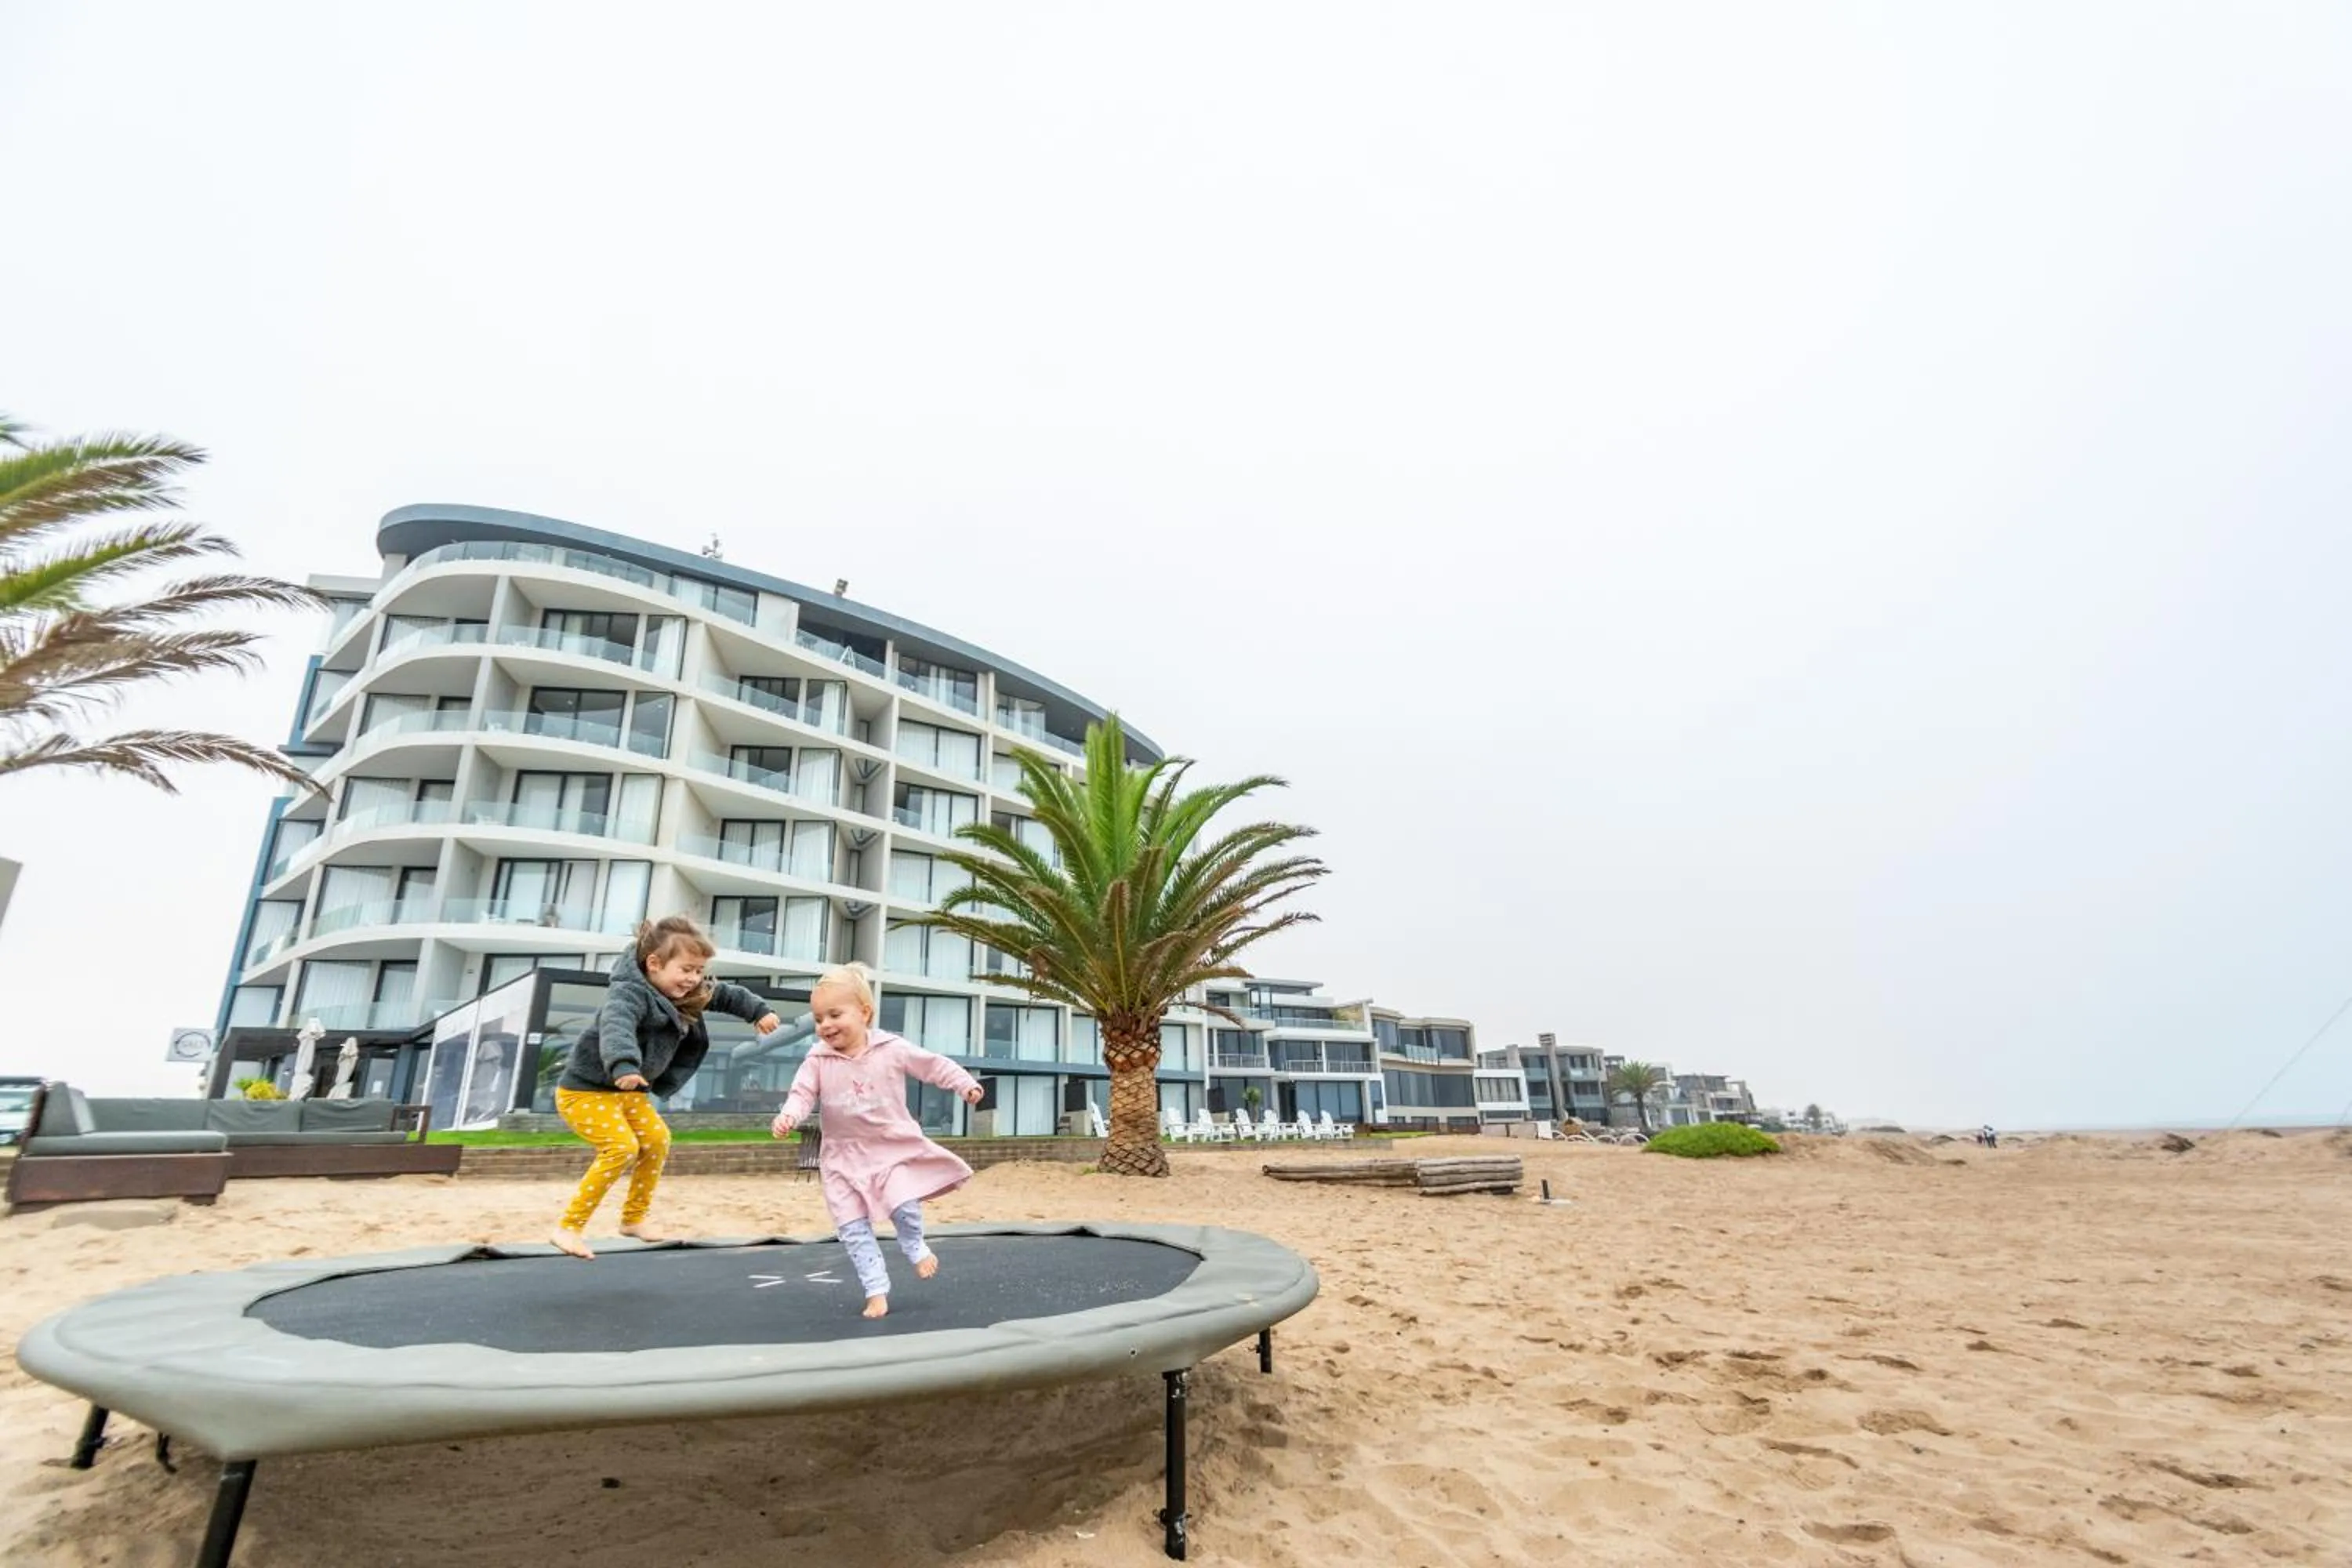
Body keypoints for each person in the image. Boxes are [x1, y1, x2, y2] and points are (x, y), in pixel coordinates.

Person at [550, 916, 779, 1259]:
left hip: (629, 1094)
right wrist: (624, 1064)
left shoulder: (684, 990)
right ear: (654, 964)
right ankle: (568, 1227)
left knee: (657, 1140)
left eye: (699, 971)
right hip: (585, 1092)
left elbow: (726, 995)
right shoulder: (628, 992)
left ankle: (633, 1219)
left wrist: (758, 1011)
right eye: (686, 969)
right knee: (622, 1148)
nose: (694, 979)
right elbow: (617, 1027)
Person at [771, 964, 984, 1317]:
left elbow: (933, 1066)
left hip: (890, 1148)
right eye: (819, 1018)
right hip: (841, 1159)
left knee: (904, 1206)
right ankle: (875, 1290)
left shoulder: (891, 1049)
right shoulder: (817, 1059)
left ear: (865, 1013)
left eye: (835, 1014)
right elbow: (802, 1093)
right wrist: (789, 1116)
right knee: (852, 1228)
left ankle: (914, 1245)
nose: (825, 1025)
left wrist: (964, 1084)